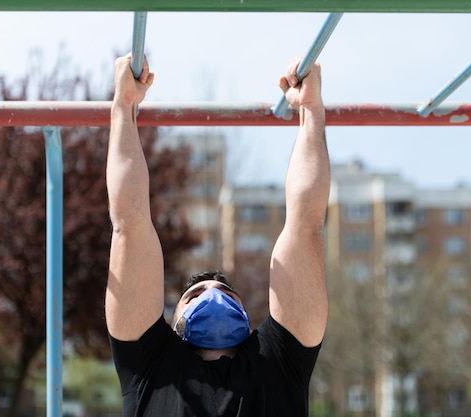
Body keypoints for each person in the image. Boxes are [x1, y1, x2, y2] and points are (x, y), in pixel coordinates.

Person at [105, 53, 329, 417]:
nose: (213, 294)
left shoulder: (279, 363)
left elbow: (306, 226)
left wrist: (312, 111)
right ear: (175, 325)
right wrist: (122, 106)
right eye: (195, 294)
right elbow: (129, 224)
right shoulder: (148, 368)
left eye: (225, 292)